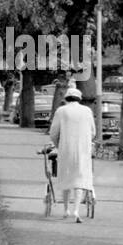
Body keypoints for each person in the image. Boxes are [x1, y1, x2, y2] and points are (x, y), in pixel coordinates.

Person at [48, 85, 95, 223]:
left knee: (66, 177)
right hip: (83, 150)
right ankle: (76, 210)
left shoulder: (61, 111)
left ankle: (66, 210)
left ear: (66, 98)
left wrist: (58, 145)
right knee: (79, 178)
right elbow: (92, 132)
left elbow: (54, 132)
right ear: (79, 98)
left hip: (66, 149)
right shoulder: (87, 111)